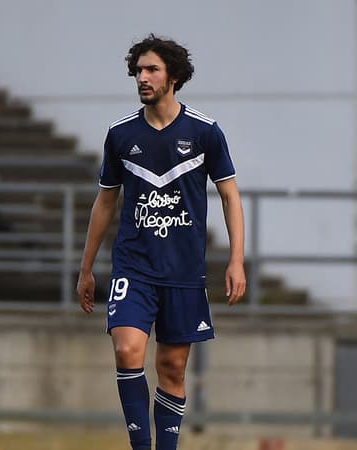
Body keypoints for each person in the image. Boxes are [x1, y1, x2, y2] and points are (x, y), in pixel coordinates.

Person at [76, 34, 246, 450]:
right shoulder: (120, 134)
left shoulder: (205, 132)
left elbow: (230, 195)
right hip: (133, 266)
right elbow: (104, 202)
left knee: (171, 367)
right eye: (138, 70)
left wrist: (236, 260)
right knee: (127, 350)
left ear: (174, 76)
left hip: (184, 271)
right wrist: (86, 267)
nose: (142, 78)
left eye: (152, 69)